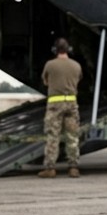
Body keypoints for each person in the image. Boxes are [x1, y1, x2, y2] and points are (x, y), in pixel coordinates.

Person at [37, 37, 84, 178]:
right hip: (72, 104)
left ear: (55, 50)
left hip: (55, 105)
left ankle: (50, 168)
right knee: (72, 136)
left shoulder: (50, 65)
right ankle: (73, 167)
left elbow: (45, 81)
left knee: (53, 136)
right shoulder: (76, 65)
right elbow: (78, 80)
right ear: (68, 49)